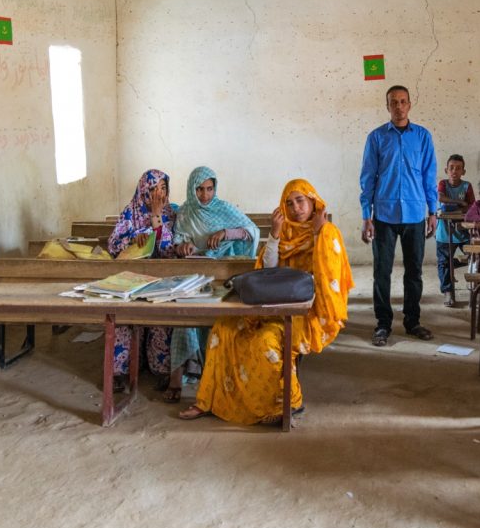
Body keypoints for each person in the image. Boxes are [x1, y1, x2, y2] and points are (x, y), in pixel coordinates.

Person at [179, 179, 353, 425]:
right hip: (271, 306)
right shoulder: (285, 231)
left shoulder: (327, 232)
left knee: (265, 340)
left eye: (300, 200)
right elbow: (267, 271)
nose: (296, 208)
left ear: (312, 200)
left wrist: (317, 233)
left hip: (304, 313)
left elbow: (327, 279)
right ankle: (209, 400)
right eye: (289, 203)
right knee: (224, 329)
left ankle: (288, 403)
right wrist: (274, 235)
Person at [164, 166, 260, 403]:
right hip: (194, 273)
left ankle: (213, 369)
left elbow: (252, 232)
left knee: (219, 319)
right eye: (199, 189)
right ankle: (176, 378)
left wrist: (227, 232)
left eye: (209, 188)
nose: (205, 195)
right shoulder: (186, 212)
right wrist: (182, 247)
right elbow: (178, 240)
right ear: (191, 189)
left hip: (223, 275)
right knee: (183, 320)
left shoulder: (224, 209)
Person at [360, 85, 437, 347]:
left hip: (415, 213)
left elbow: (429, 177)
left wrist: (432, 211)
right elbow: (368, 178)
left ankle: (412, 321)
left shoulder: (423, 137)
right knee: (382, 272)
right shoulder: (377, 138)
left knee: (414, 272)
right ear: (387, 106)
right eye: (394, 102)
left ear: (410, 104)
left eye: (403, 102)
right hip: (384, 214)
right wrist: (365, 215)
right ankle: (383, 324)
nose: (399, 106)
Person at [106, 169, 175, 387]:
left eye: (163, 188)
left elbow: (167, 250)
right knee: (123, 322)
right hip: (131, 278)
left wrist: (156, 216)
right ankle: (119, 372)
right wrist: (136, 238)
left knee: (160, 322)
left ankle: (160, 368)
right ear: (144, 190)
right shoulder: (131, 211)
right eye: (154, 189)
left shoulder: (171, 213)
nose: (159, 194)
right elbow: (113, 245)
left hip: (160, 279)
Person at [435, 154, 475, 307]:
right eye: (451, 168)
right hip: (444, 232)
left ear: (463, 171)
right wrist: (459, 202)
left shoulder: (466, 186)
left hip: (463, 230)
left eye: (458, 168)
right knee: (444, 262)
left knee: (474, 256)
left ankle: (454, 269)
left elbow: (471, 205)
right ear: (446, 170)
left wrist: (457, 209)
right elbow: (441, 198)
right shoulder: (443, 184)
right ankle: (448, 292)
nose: (454, 171)